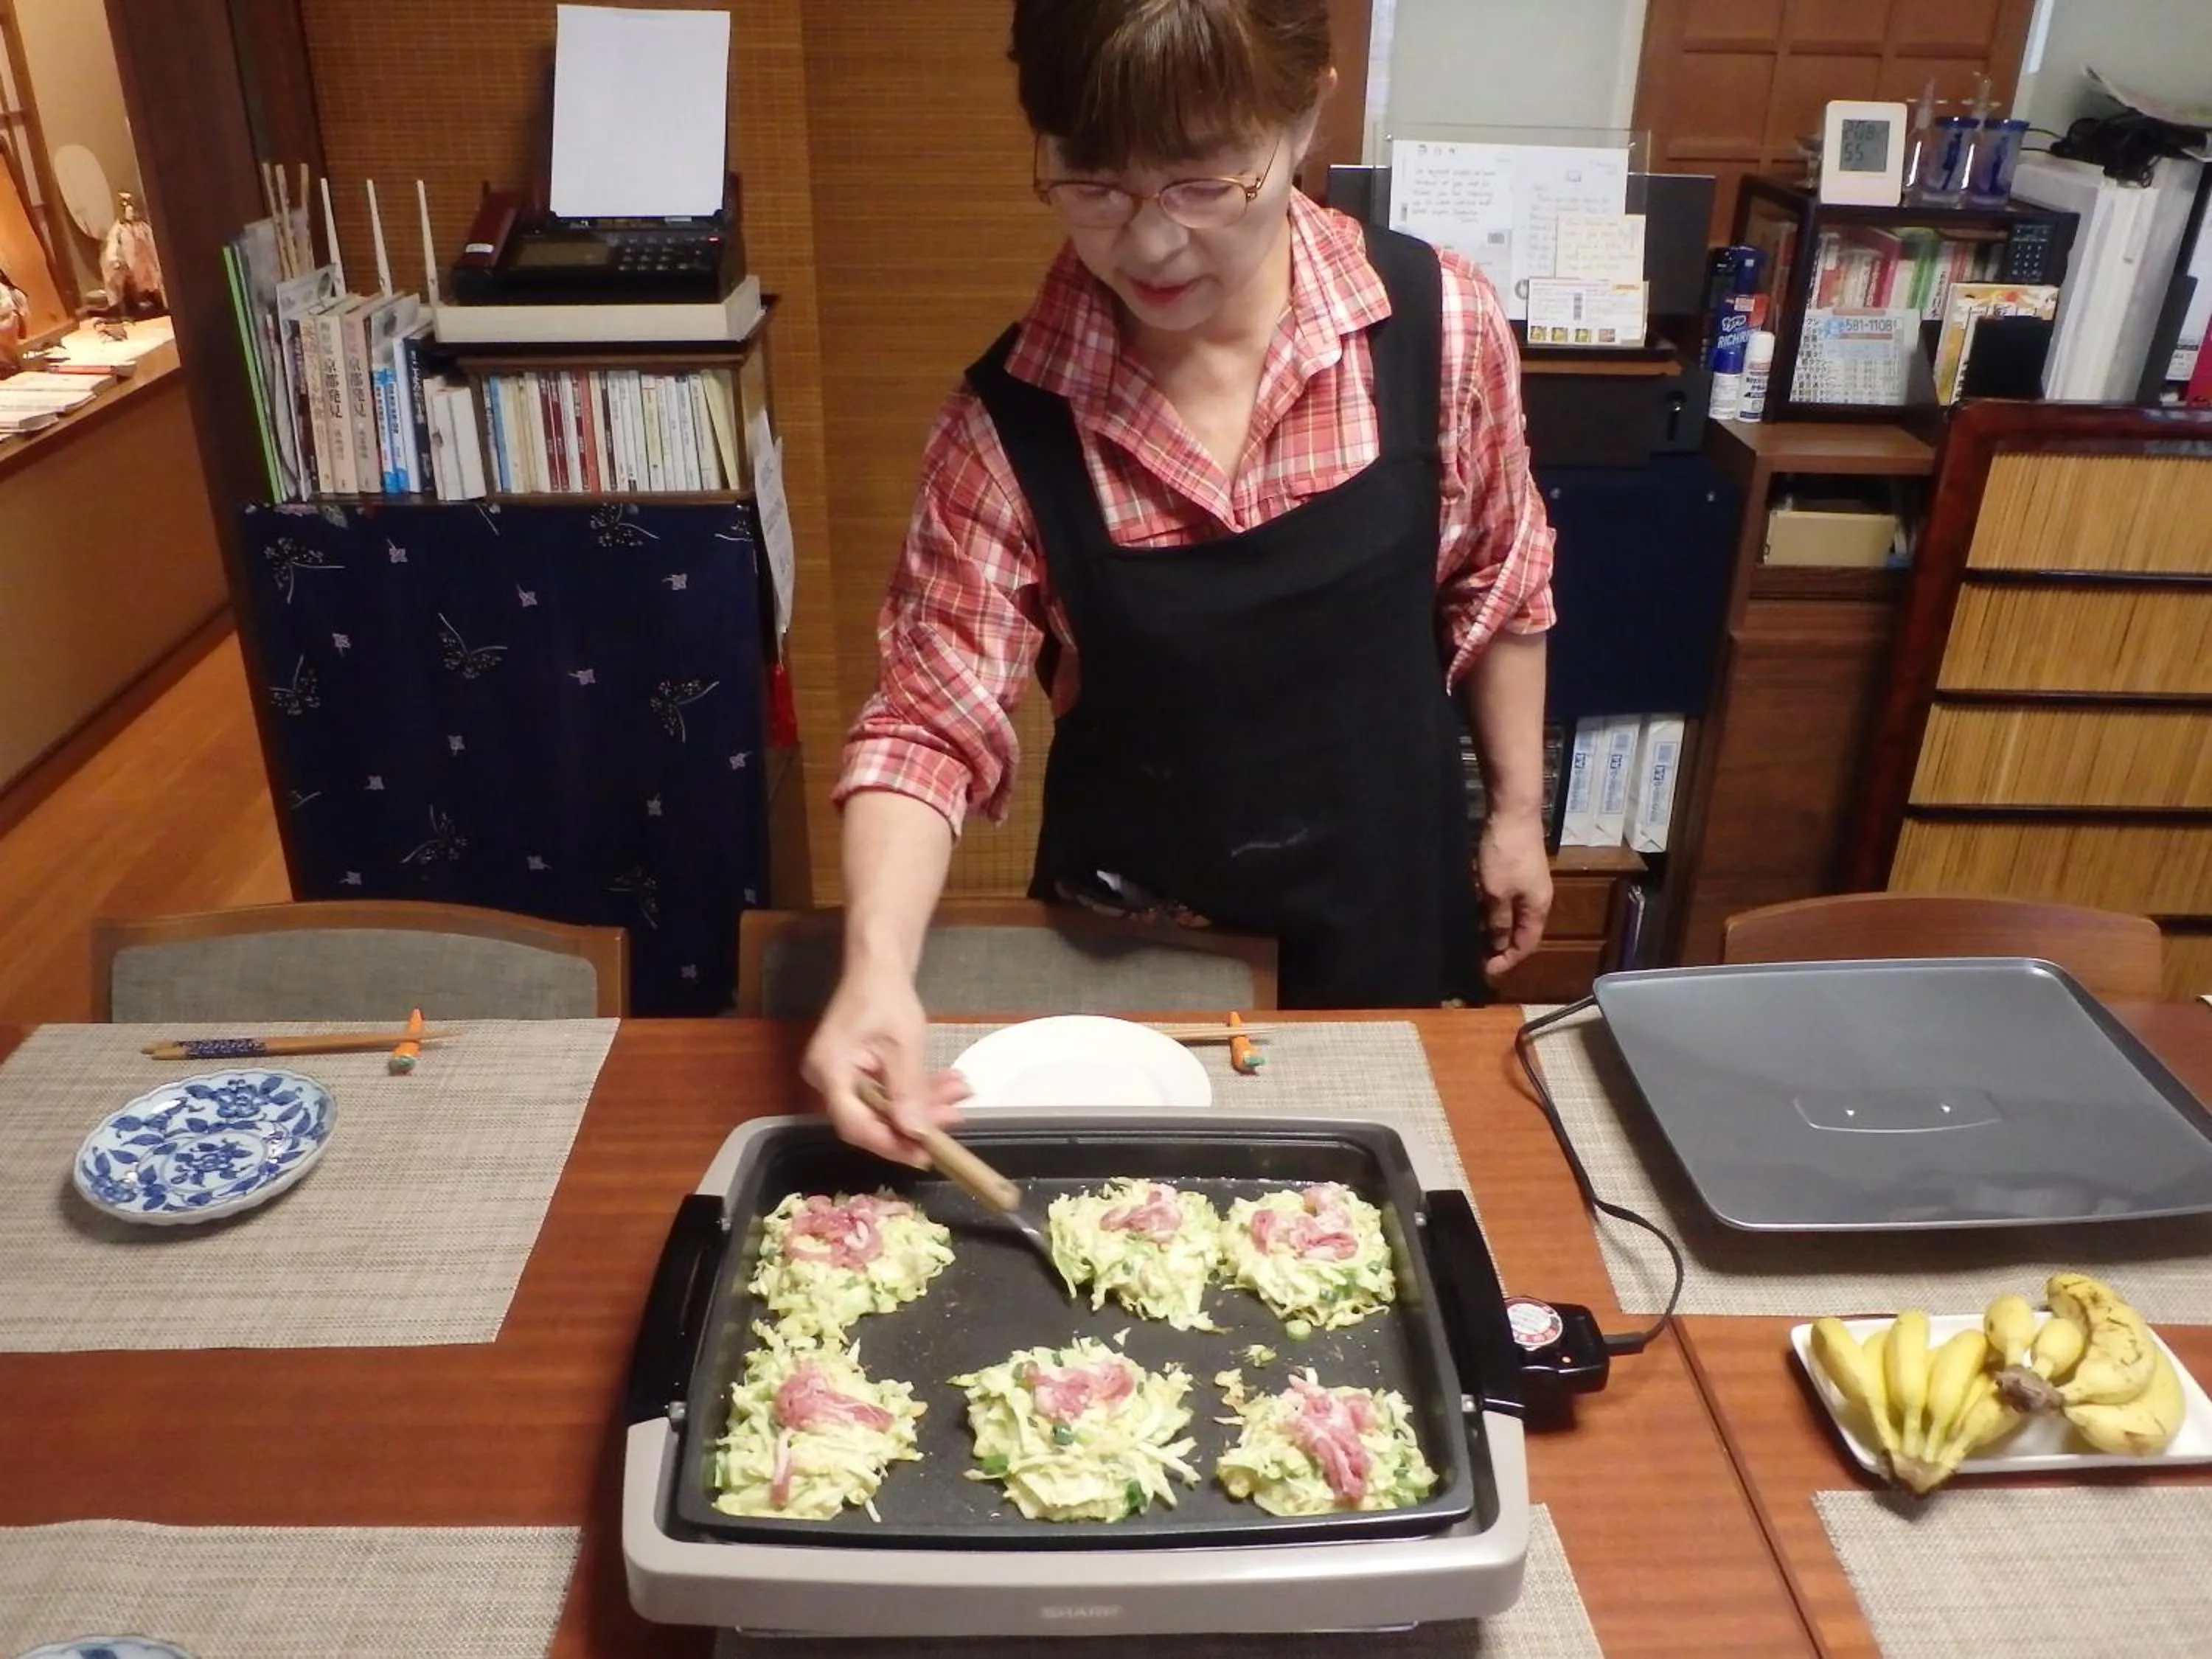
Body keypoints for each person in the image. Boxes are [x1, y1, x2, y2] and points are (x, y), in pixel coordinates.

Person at [806, 0, 1555, 1165]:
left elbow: (1500, 577)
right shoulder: (1007, 425)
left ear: (1304, 116)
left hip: (1391, 906)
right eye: (1094, 184)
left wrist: (1514, 814)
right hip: (1136, 959)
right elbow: (925, 724)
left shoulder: (1438, 326)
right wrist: (876, 969)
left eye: (1205, 182)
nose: (1150, 245)